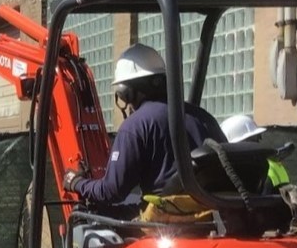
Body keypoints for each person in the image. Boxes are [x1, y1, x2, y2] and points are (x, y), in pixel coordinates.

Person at [62, 43, 227, 205]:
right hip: (211, 218)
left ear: (125, 92)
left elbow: (111, 192)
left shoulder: (135, 126)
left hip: (167, 220)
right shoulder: (205, 118)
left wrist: (76, 182)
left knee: (86, 221)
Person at [220, 114, 291, 192]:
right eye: (254, 140)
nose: (256, 145)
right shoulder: (226, 171)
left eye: (257, 139)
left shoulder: (264, 166)